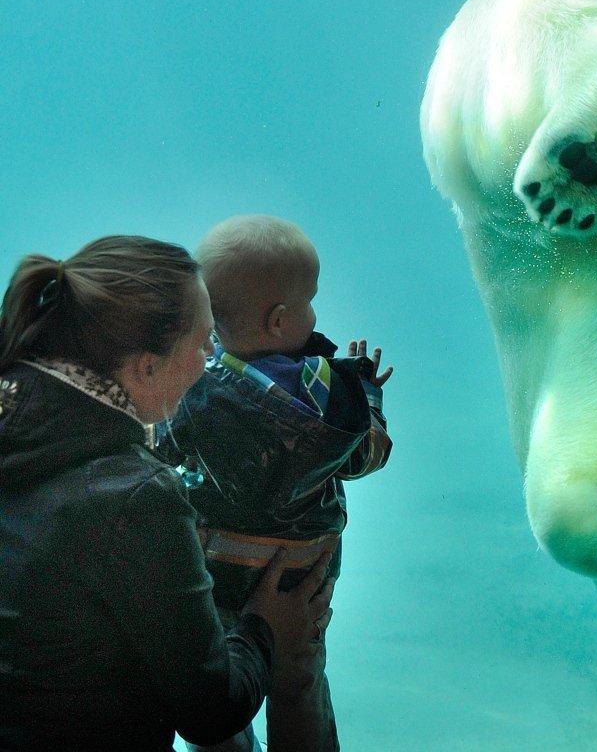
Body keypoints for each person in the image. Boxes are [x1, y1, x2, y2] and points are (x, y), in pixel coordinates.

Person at [0, 236, 334, 751]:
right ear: (146, 366)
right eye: (204, 343)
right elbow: (211, 712)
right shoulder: (136, 498)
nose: (212, 359)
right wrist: (265, 627)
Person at [152, 215, 393, 752]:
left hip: (213, 570)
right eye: (310, 299)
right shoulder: (326, 389)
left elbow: (159, 447)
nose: (315, 311)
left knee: (220, 685)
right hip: (302, 578)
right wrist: (369, 400)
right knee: (298, 680)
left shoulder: (193, 382)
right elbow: (365, 457)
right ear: (281, 321)